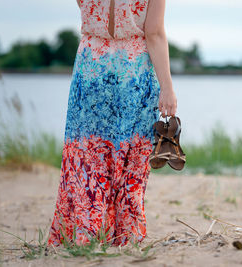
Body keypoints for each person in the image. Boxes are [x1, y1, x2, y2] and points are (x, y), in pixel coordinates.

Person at [48, 0, 177, 247]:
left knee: (87, 156)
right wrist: (167, 88)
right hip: (133, 71)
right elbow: (154, 33)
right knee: (132, 157)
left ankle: (86, 233)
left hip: (91, 66)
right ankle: (126, 235)